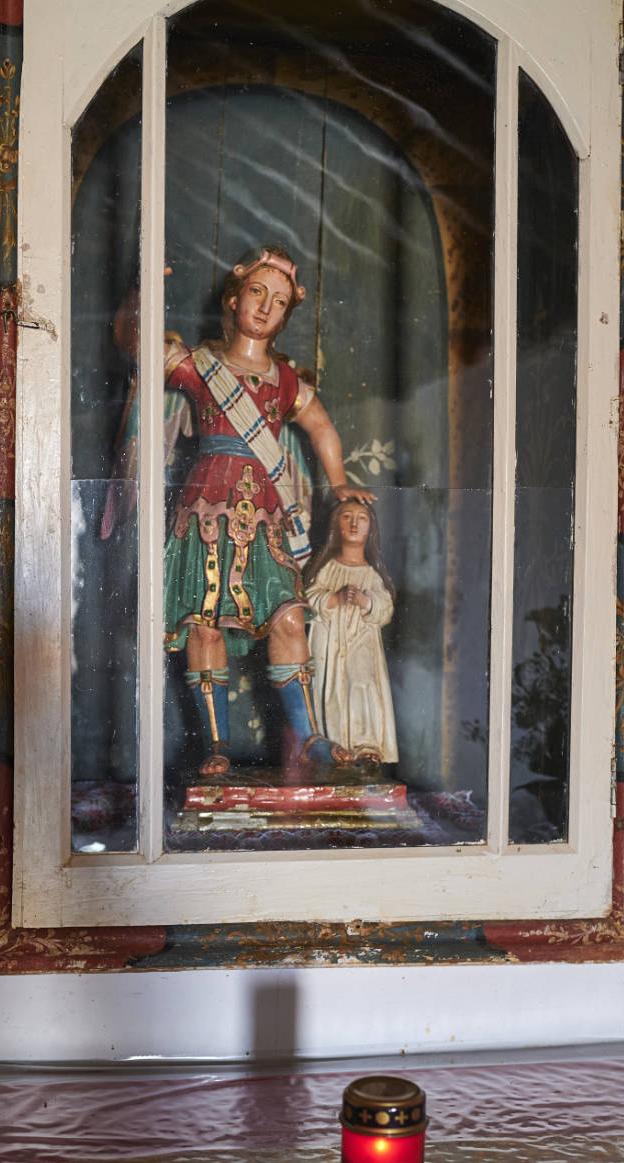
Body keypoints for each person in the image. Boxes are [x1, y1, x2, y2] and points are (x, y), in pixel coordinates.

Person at [121, 246, 375, 776]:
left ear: (285, 316)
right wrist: (142, 296)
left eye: (279, 301)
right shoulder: (200, 366)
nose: (265, 307)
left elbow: (323, 428)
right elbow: (136, 345)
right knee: (203, 627)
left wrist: (339, 484)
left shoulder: (285, 382)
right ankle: (216, 744)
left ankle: (307, 737)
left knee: (288, 622)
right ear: (234, 297)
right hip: (203, 515)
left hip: (266, 520)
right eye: (257, 293)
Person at [303, 497, 398, 766]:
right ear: (336, 525)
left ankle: (365, 745)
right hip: (328, 645)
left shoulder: (372, 575)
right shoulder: (327, 569)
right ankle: (334, 748)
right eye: (347, 517)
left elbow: (384, 607)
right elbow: (309, 599)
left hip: (361, 646)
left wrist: (365, 601)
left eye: (362, 518)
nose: (355, 523)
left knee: (361, 686)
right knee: (331, 690)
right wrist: (334, 598)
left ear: (371, 529)